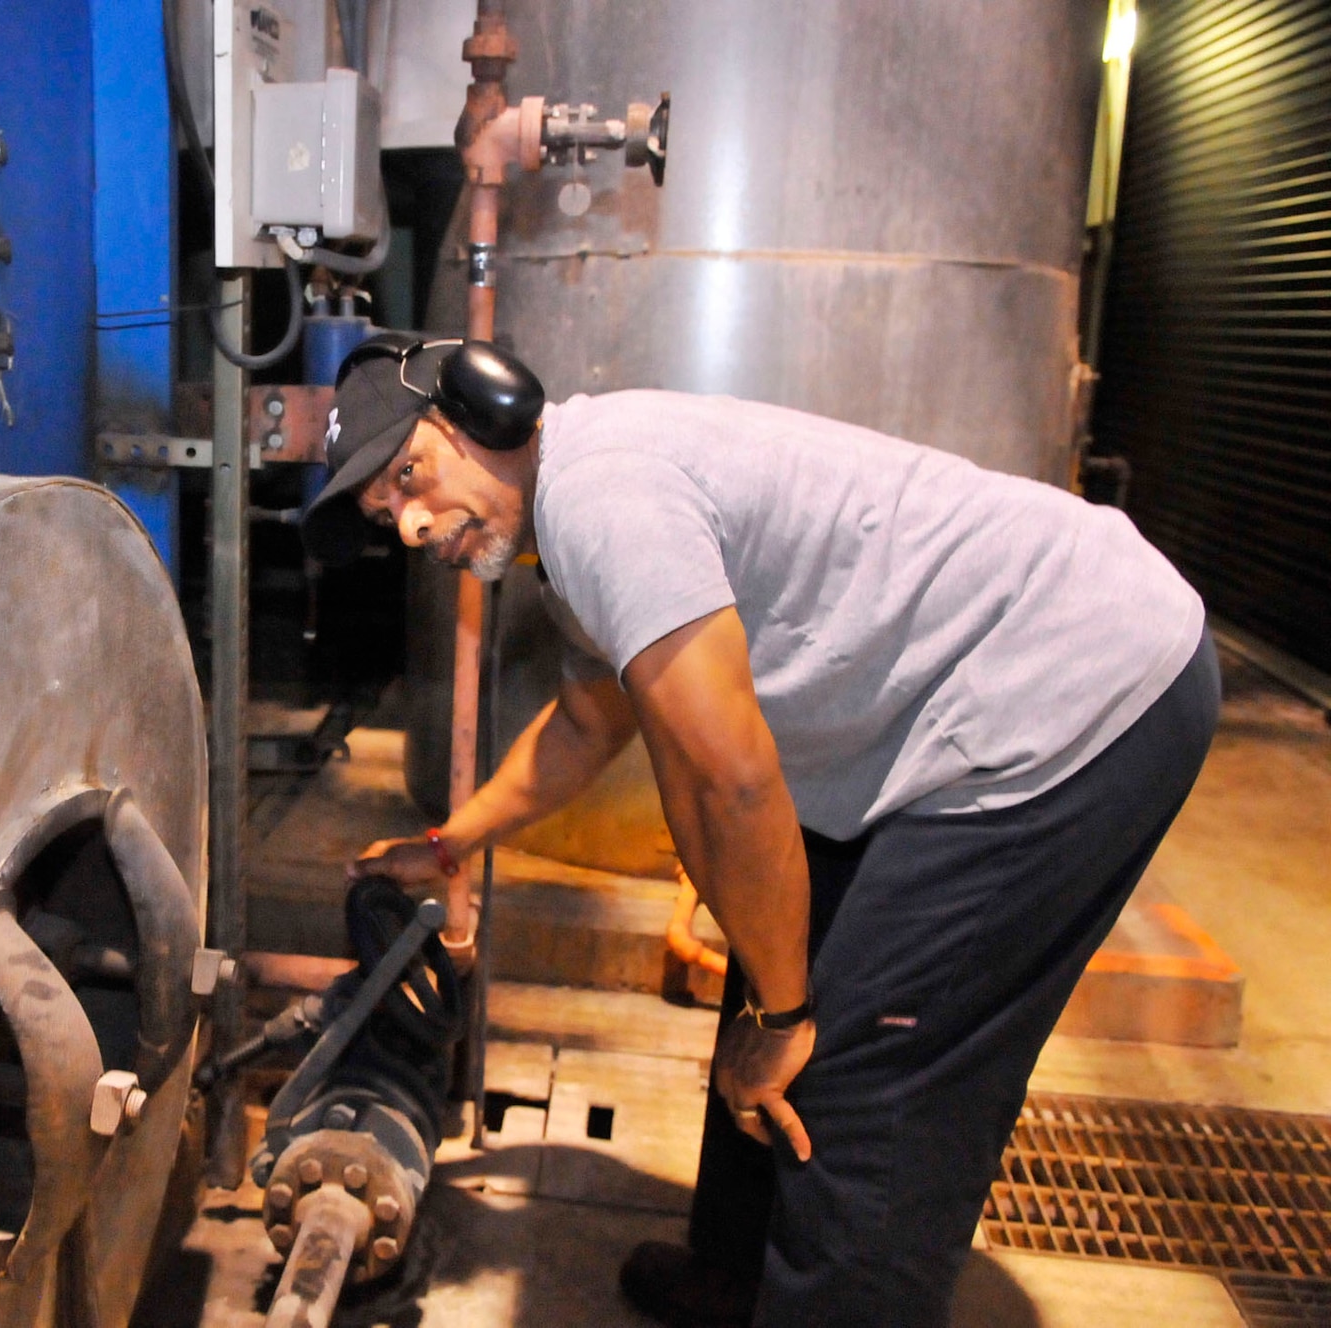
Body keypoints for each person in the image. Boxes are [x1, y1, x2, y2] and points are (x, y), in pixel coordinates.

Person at [298, 333, 1220, 1327]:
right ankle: (738, 1281)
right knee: (767, 949)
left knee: (862, 1080)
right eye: (385, 511)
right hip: (955, 704)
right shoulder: (565, 525)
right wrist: (446, 846)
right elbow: (583, 724)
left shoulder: (604, 502)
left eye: (410, 475)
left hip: (1072, 689)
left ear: (484, 412)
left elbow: (730, 785)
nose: (410, 524)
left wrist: (786, 1017)